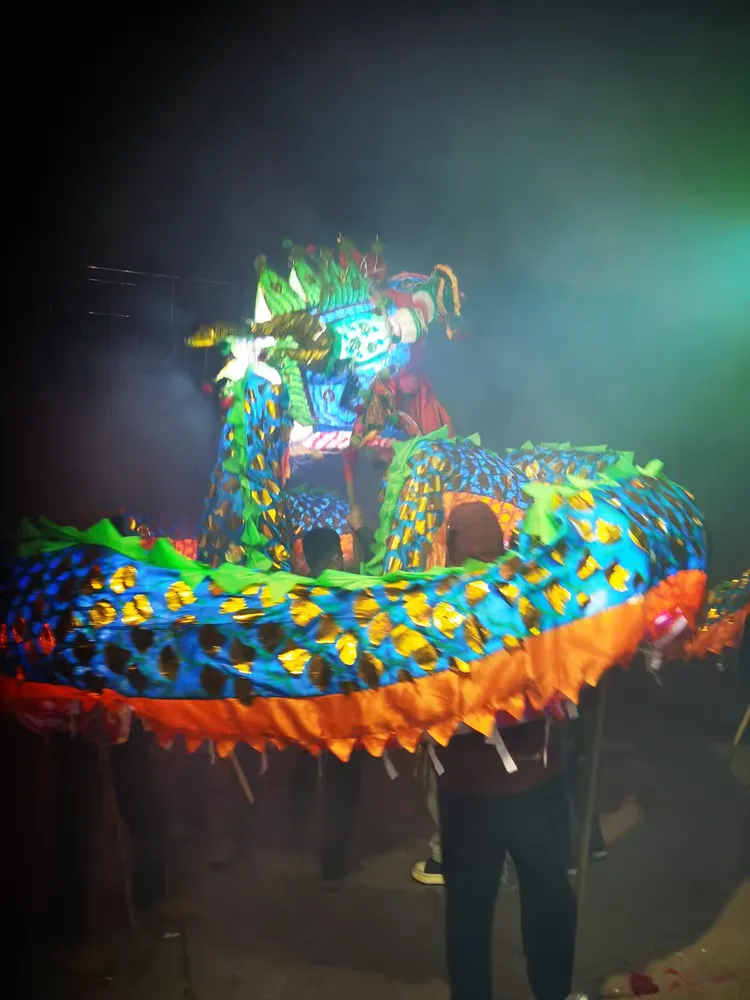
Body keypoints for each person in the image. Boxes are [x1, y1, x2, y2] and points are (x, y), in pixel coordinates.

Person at [428, 502, 578, 1000]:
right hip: (535, 784)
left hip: (465, 793)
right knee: (548, 897)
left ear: (452, 543)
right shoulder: (535, 596)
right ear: (500, 540)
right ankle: (552, 992)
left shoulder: (431, 609)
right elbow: (563, 684)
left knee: (468, 909)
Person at [288, 528, 365, 883]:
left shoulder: (295, 596)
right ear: (335, 556)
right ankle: (333, 860)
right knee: (342, 782)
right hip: (345, 709)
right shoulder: (351, 593)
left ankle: (297, 836)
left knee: (306, 771)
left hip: (305, 707)